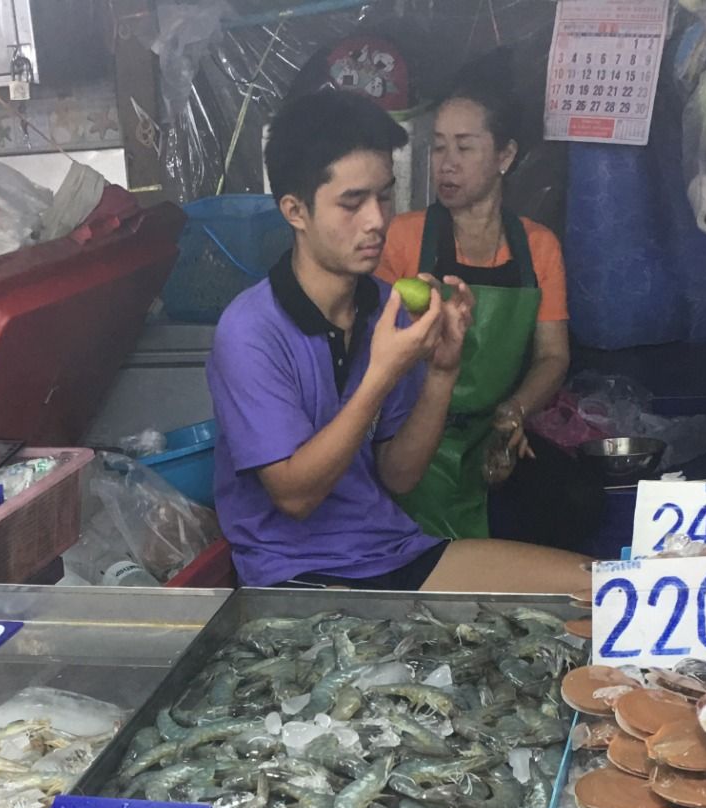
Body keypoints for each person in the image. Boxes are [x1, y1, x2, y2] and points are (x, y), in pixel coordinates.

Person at [206, 88, 590, 593]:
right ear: (295, 211)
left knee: (599, 587)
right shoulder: (250, 331)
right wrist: (383, 372)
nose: (377, 220)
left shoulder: (385, 306)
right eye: (351, 202)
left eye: (384, 195)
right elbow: (295, 497)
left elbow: (400, 476)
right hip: (297, 574)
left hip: (394, 549)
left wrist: (441, 372)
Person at [376, 68, 600, 549]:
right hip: (413, 439)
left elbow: (553, 356)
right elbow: (371, 354)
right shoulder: (401, 237)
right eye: (438, 147)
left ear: (505, 156)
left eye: (464, 146)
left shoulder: (537, 247)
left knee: (572, 507)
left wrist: (513, 413)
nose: (446, 164)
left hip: (494, 438)